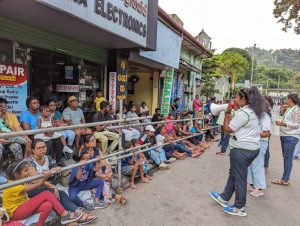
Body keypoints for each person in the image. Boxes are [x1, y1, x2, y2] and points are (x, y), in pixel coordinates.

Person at [210, 87, 264, 217]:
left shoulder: (243, 114)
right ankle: (224, 197)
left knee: (239, 178)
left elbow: (228, 129)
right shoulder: (255, 111)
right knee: (234, 173)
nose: (234, 99)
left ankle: (239, 207)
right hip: (252, 149)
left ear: (243, 99)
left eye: (236, 97)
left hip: (241, 150)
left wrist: (227, 113)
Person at [26, 139, 97, 225]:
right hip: (33, 189)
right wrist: (53, 186)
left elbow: (55, 167)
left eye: (43, 147)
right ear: (33, 150)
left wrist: (56, 168)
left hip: (45, 186)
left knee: (61, 193)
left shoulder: (47, 158)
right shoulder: (30, 162)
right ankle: (70, 219)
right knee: (54, 193)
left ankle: (77, 212)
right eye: (39, 148)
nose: (42, 149)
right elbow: (36, 181)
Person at [2, 160, 82, 226]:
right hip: (15, 213)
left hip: (22, 207)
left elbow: (37, 180)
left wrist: (49, 173)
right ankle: (64, 214)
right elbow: (38, 184)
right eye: (26, 171)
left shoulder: (20, 179)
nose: (28, 172)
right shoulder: (13, 186)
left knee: (47, 205)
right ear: (16, 175)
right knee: (46, 194)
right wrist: (46, 176)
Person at [83, 135, 128, 205]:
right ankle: (116, 196)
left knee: (108, 174)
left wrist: (109, 171)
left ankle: (110, 196)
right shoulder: (85, 153)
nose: (94, 141)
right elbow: (91, 170)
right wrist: (102, 175)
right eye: (92, 140)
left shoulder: (96, 149)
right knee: (104, 181)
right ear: (86, 143)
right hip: (90, 173)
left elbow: (103, 161)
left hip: (98, 170)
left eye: (95, 139)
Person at [272, 93, 300, 186]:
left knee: (288, 158)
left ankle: (285, 179)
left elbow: (296, 125)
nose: (285, 100)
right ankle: (285, 178)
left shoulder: (296, 109)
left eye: (286, 98)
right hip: (285, 135)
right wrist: (282, 111)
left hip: (291, 136)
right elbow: (284, 119)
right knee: (286, 158)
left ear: (290, 99)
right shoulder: (290, 108)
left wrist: (283, 124)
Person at [247, 100, 271, 197]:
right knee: (251, 164)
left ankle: (259, 188)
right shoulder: (257, 116)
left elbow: (266, 133)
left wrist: (253, 133)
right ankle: (251, 183)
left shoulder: (265, 116)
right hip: (254, 142)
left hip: (261, 142)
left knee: (258, 164)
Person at [263, 96, 274, 173]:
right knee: (265, 147)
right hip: (265, 130)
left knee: (266, 148)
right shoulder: (267, 110)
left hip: (267, 131)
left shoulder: (269, 110)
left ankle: (265, 166)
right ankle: (264, 165)